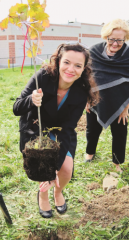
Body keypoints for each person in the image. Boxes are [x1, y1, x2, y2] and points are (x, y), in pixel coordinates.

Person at [13, 43, 99, 218]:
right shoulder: (43, 77)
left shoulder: (81, 92)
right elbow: (16, 108)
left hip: (60, 131)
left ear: (84, 69)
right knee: (43, 166)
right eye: (66, 62)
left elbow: (68, 128)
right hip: (35, 128)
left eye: (78, 66)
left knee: (66, 169)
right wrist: (31, 100)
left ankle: (58, 192)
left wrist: (56, 167)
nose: (70, 69)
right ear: (58, 61)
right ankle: (43, 194)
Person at [84, 19, 129, 173]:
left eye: (120, 40)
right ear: (106, 37)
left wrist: (125, 107)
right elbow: (85, 76)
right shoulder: (94, 51)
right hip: (95, 100)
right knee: (92, 129)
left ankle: (117, 163)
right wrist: (86, 98)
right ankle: (90, 153)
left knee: (119, 133)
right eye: (112, 39)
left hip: (121, 102)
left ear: (125, 39)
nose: (116, 44)